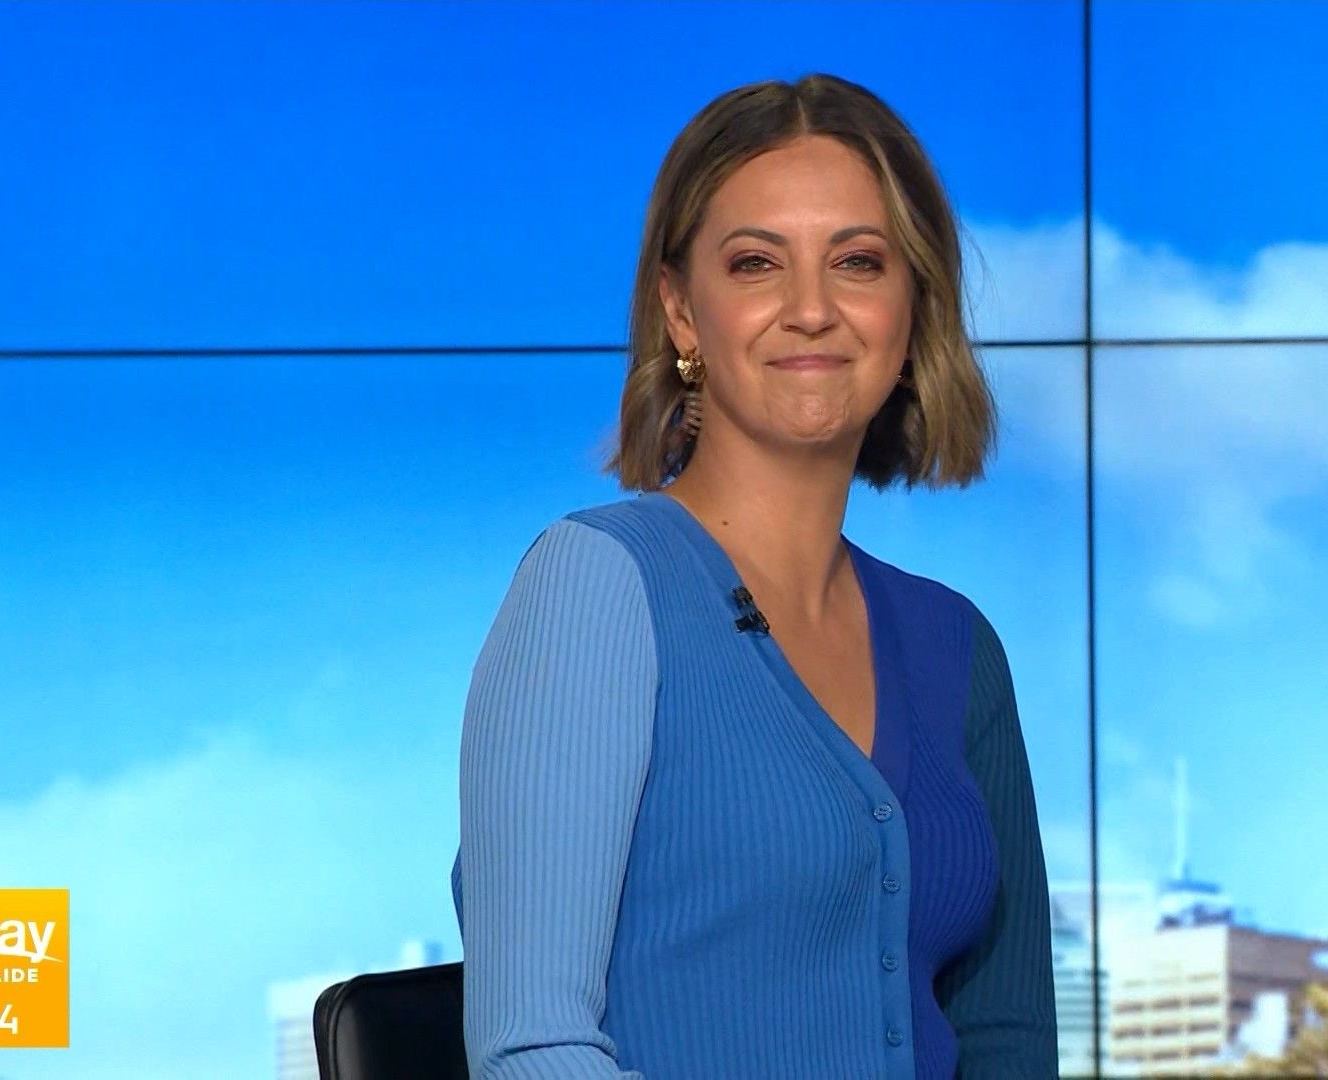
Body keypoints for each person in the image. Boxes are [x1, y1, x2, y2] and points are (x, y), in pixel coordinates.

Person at [452, 72, 1058, 1079]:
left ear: (915, 309)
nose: (811, 310)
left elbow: (1008, 1041)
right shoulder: (595, 587)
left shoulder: (958, 644)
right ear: (682, 314)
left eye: (858, 263)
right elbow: (533, 1047)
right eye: (755, 264)